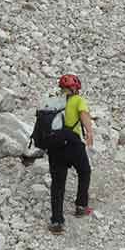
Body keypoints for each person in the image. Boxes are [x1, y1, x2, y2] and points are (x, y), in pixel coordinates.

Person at [48, 73, 95, 233]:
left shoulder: (52, 101)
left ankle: (57, 222)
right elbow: (84, 116)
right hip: (73, 143)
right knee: (84, 171)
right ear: (75, 88)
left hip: (54, 145)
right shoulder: (78, 100)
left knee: (57, 184)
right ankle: (81, 206)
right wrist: (89, 133)